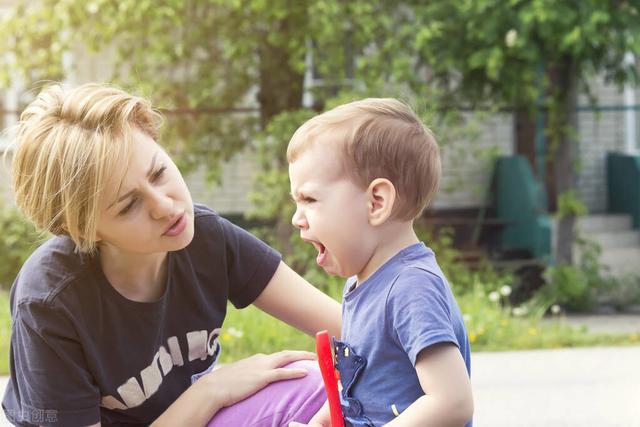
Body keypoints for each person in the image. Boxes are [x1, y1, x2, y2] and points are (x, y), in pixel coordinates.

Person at [2, 83, 341, 426]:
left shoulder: (205, 237)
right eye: (129, 205)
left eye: (159, 173)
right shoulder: (49, 301)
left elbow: (350, 327)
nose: (166, 206)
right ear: (84, 230)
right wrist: (212, 390)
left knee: (313, 385)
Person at [287, 99, 474, 426]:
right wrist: (323, 421)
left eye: (310, 200)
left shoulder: (412, 287)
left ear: (376, 202)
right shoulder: (363, 284)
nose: (297, 219)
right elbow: (362, 386)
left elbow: (452, 401)